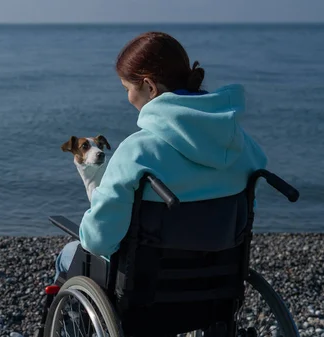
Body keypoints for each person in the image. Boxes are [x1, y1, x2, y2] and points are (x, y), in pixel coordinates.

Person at [54, 31, 268, 282]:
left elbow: (99, 241)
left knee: (69, 254)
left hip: (147, 287)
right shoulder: (242, 145)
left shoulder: (136, 153)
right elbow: (246, 212)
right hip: (218, 281)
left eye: (127, 89)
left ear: (149, 86)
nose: (128, 98)